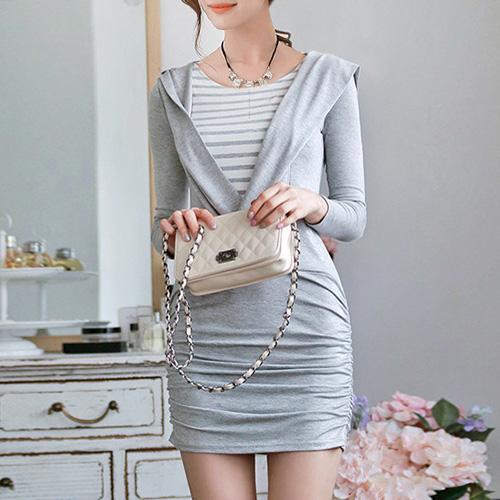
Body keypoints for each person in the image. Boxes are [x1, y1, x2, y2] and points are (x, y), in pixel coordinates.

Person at [148, 1, 367, 498]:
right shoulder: (173, 91)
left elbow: (354, 215)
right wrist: (174, 228)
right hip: (205, 341)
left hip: (304, 336)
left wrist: (311, 202)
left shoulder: (328, 78)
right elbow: (162, 221)